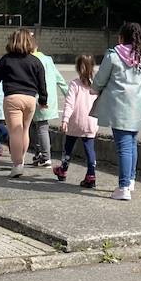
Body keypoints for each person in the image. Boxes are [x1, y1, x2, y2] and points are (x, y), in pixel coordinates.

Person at [91, 22, 141, 200]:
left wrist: (94, 90)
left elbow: (100, 79)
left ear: (121, 37)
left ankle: (123, 187)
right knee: (132, 143)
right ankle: (131, 180)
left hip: (119, 107)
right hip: (138, 107)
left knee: (124, 147)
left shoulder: (113, 55)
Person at [0, 28, 47, 178]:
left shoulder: (6, 60)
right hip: (30, 99)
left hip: (12, 98)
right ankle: (21, 159)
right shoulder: (35, 61)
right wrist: (43, 100)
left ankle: (17, 164)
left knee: (15, 132)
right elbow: (42, 83)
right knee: (24, 130)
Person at [54, 54, 99, 188]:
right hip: (91, 121)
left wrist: (65, 120)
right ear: (93, 67)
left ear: (78, 68)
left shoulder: (74, 84)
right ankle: (91, 175)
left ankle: (63, 170)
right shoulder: (97, 85)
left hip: (75, 121)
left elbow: (69, 103)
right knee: (89, 149)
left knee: (68, 147)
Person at [29, 43, 69, 168]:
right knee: (37, 126)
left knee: (41, 126)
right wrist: (68, 94)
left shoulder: (30, 60)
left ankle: (45, 156)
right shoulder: (48, 59)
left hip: (37, 97)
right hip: (50, 98)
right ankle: (39, 153)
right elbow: (59, 78)